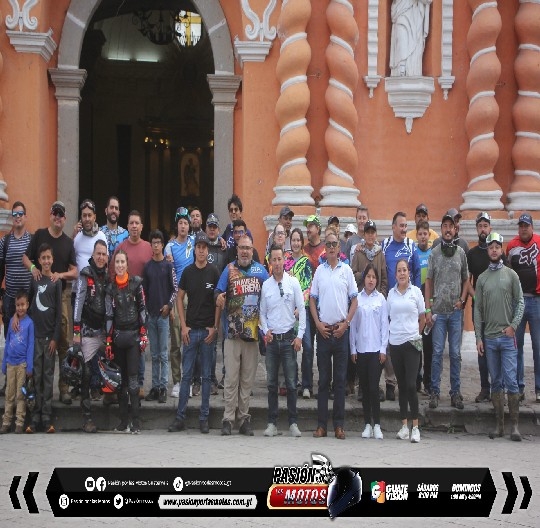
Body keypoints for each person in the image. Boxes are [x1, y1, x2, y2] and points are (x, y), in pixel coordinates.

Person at [23, 200, 77, 405]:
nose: (58, 218)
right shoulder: (39, 235)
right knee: (36, 342)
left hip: (61, 296)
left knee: (63, 341)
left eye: (61, 215)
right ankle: (36, 388)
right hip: (39, 295)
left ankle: (64, 388)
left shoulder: (67, 242)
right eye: (55, 213)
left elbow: (75, 271)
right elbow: (25, 258)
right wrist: (33, 270)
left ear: (65, 218)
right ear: (50, 215)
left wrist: (60, 275)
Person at [216, 234, 269, 436]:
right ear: (237, 249)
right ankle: (228, 419)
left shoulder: (261, 271)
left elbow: (270, 293)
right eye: (242, 248)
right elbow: (218, 292)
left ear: (252, 249)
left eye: (248, 248)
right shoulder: (229, 270)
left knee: (247, 380)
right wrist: (218, 298)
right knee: (231, 379)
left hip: (252, 335)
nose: (245, 251)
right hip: (232, 334)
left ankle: (244, 418)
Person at [168, 232, 220, 434]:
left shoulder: (214, 272)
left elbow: (218, 301)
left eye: (204, 247)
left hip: (207, 333)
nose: (201, 250)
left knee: (206, 377)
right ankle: (180, 417)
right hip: (190, 332)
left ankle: (204, 418)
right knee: (186, 376)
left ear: (208, 250)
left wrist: (215, 327)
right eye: (198, 247)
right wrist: (183, 325)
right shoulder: (187, 272)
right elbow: (179, 298)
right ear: (195, 249)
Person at [475, 232, 524, 441]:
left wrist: (513, 326)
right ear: (487, 250)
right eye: (490, 246)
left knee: (511, 381)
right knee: (495, 381)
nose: (494, 250)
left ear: (501, 249)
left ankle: (515, 426)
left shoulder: (511, 275)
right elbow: (477, 310)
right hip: (490, 338)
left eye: (497, 246)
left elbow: (520, 302)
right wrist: (478, 337)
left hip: (507, 337)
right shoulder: (482, 279)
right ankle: (499, 425)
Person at [310, 231, 358, 440]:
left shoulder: (346, 271)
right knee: (323, 381)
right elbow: (312, 300)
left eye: (334, 244)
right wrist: (318, 324)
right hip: (323, 332)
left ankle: (339, 425)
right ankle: (322, 426)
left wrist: (346, 324)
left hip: (340, 332)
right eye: (327, 244)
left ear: (339, 248)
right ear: (325, 248)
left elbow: (354, 301)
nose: (330, 247)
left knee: (339, 381)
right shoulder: (319, 271)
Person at [260, 244, 306, 437]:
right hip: (272, 341)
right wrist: (265, 330)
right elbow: (262, 313)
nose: (277, 263)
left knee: (291, 382)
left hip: (288, 340)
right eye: (274, 260)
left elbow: (302, 310)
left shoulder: (293, 283)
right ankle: (272, 422)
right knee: (271, 384)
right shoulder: (266, 285)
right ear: (270, 262)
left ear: (284, 261)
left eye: (280, 259)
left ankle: (293, 423)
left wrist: (300, 336)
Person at [425, 212, 469, 410]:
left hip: (455, 312)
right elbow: (429, 281)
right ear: (441, 229)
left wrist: (462, 300)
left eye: (451, 226)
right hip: (438, 313)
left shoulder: (461, 253)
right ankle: (434, 392)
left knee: (455, 353)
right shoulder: (434, 253)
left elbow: (467, 279)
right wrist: (427, 308)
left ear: (455, 229)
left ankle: (455, 392)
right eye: (445, 226)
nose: (448, 229)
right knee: (436, 353)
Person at [467, 211, 508, 403]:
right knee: (482, 348)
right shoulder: (472, 254)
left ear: (490, 228)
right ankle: (485, 387)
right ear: (476, 229)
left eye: (485, 225)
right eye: (480, 226)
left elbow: (507, 278)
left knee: (499, 348)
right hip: (479, 309)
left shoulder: (499, 253)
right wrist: (478, 299)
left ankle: (498, 389)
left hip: (498, 310)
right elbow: (468, 282)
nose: (483, 229)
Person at [105, 250, 148, 434]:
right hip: (117, 338)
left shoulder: (137, 283)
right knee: (120, 382)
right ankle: (123, 422)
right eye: (117, 262)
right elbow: (108, 315)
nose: (120, 265)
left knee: (132, 381)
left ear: (127, 264)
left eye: (123, 262)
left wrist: (144, 333)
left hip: (133, 337)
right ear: (114, 266)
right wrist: (107, 341)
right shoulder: (110, 288)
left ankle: (136, 422)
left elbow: (142, 309)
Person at [111, 210, 152, 398]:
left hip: (141, 304)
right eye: (131, 223)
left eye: (137, 223)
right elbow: (113, 275)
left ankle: (140, 383)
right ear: (127, 227)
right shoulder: (121, 248)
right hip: (122, 308)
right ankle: (124, 384)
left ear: (141, 227)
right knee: (124, 350)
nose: (134, 226)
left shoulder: (149, 248)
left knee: (140, 347)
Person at [387, 259, 426, 442]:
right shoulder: (391, 295)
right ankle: (404, 426)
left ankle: (416, 427)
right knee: (401, 386)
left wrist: (415, 335)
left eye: (404, 270)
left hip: (412, 344)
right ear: (395, 275)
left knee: (411, 385)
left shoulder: (416, 292)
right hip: (395, 344)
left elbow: (423, 318)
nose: (402, 273)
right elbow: (388, 318)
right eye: (399, 271)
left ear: (409, 272)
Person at [73, 239, 109, 432]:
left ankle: (111, 401)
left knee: (115, 365)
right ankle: (87, 417)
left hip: (104, 331)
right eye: (98, 254)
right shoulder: (85, 274)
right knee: (86, 374)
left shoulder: (109, 276)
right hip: (87, 329)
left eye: (104, 254)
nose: (101, 257)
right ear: (93, 255)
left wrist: (111, 334)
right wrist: (76, 331)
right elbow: (78, 302)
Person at [26, 244, 62, 433]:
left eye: (49, 257)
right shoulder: (35, 281)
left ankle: (47, 417)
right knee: (36, 377)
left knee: (48, 377)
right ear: (38, 261)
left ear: (52, 259)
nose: (46, 261)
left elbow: (58, 314)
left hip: (49, 339)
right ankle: (35, 417)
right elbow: (26, 304)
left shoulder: (56, 282)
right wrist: (18, 317)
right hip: (36, 339)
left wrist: (56, 338)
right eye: (43, 258)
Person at [350, 265, 388, 440]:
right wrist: (352, 348)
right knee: (364, 388)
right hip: (361, 350)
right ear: (364, 279)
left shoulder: (381, 299)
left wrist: (383, 348)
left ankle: (377, 424)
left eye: (374, 277)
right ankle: (367, 424)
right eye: (368, 277)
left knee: (374, 387)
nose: (371, 280)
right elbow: (353, 327)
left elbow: (384, 326)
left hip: (375, 351)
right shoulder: (357, 299)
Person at [506, 212, 540, 403]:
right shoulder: (512, 246)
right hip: (518, 302)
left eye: (526, 225)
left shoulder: (539, 242)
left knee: (538, 346)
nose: (524, 228)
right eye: (521, 225)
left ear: (532, 227)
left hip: (536, 300)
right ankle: (518, 387)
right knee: (516, 346)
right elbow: (509, 272)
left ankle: (539, 388)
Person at [0, 201, 32, 396]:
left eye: (21, 213)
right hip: (11, 299)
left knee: (27, 342)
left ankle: (27, 381)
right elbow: (0, 269)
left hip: (27, 301)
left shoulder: (32, 240)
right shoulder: (5, 242)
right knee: (10, 341)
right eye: (15, 214)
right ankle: (8, 381)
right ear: (12, 217)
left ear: (25, 216)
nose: (18, 217)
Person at [142, 230, 178, 404]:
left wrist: (169, 306)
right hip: (151, 315)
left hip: (163, 316)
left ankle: (163, 386)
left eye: (158, 242)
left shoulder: (168, 266)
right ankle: (155, 386)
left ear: (163, 245)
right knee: (154, 353)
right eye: (153, 242)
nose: (156, 245)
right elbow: (144, 292)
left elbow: (175, 288)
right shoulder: (147, 267)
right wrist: (147, 310)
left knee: (164, 353)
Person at [284, 228, 314, 399]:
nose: (295, 243)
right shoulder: (285, 261)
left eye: (298, 240)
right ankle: (292, 382)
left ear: (302, 243)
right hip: (288, 312)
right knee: (291, 348)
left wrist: (299, 306)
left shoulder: (306, 262)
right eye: (293, 240)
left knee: (308, 347)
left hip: (303, 312)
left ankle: (307, 384)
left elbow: (308, 287)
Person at [0, 291, 34, 434]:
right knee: (9, 394)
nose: (20, 308)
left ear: (27, 305)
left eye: (23, 305)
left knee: (20, 394)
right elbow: (8, 342)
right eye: (18, 305)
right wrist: (4, 363)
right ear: (15, 306)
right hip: (10, 363)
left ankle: (19, 421)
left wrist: (29, 366)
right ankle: (6, 422)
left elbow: (31, 345)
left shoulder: (29, 323)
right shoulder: (12, 322)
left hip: (22, 364)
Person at [205, 213, 227, 392]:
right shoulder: (201, 247)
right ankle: (209, 378)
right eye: (209, 227)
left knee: (225, 340)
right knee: (209, 341)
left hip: (222, 301)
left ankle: (226, 376)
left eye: (214, 227)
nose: (212, 229)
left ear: (218, 230)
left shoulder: (224, 249)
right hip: (205, 302)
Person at [390, 0, 432, 77]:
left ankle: (412, 69)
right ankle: (401, 67)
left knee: (415, 40)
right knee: (401, 36)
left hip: (415, 14)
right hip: (401, 11)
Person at [415, 220, 433, 394]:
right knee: (416, 345)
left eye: (425, 234)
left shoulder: (433, 254)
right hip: (416, 301)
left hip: (430, 302)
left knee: (428, 346)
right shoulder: (414, 254)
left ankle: (428, 382)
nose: (422, 237)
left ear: (429, 235)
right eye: (419, 234)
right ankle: (417, 381)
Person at [351, 220, 388, 296]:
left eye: (372, 232)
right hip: (361, 298)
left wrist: (382, 295)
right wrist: (362, 274)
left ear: (376, 235)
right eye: (368, 232)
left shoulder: (380, 254)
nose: (370, 235)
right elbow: (352, 277)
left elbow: (384, 278)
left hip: (376, 298)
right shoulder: (358, 253)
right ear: (364, 235)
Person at [72, 199, 107, 274]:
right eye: (84, 215)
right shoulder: (77, 235)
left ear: (94, 217)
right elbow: (69, 259)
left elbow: (106, 261)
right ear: (81, 217)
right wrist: (73, 236)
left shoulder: (101, 236)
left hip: (95, 283)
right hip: (79, 284)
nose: (87, 219)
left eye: (89, 215)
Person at [100, 196, 129, 262]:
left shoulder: (125, 234)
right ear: (106, 211)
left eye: (116, 208)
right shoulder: (99, 232)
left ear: (119, 212)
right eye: (111, 207)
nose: (114, 210)